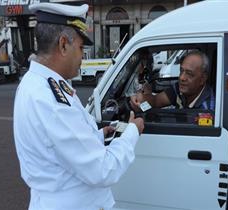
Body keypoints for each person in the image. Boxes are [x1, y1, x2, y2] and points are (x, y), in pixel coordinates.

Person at [13, 3, 144, 210]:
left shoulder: (37, 83)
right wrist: (132, 132)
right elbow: (103, 170)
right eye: (81, 48)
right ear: (64, 44)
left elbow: (58, 147)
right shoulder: (51, 100)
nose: (83, 56)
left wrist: (99, 135)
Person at [130, 50, 215, 111]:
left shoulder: (207, 109)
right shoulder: (180, 88)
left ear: (202, 79)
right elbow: (156, 100)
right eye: (181, 70)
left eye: (189, 73)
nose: (182, 77)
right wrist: (140, 99)